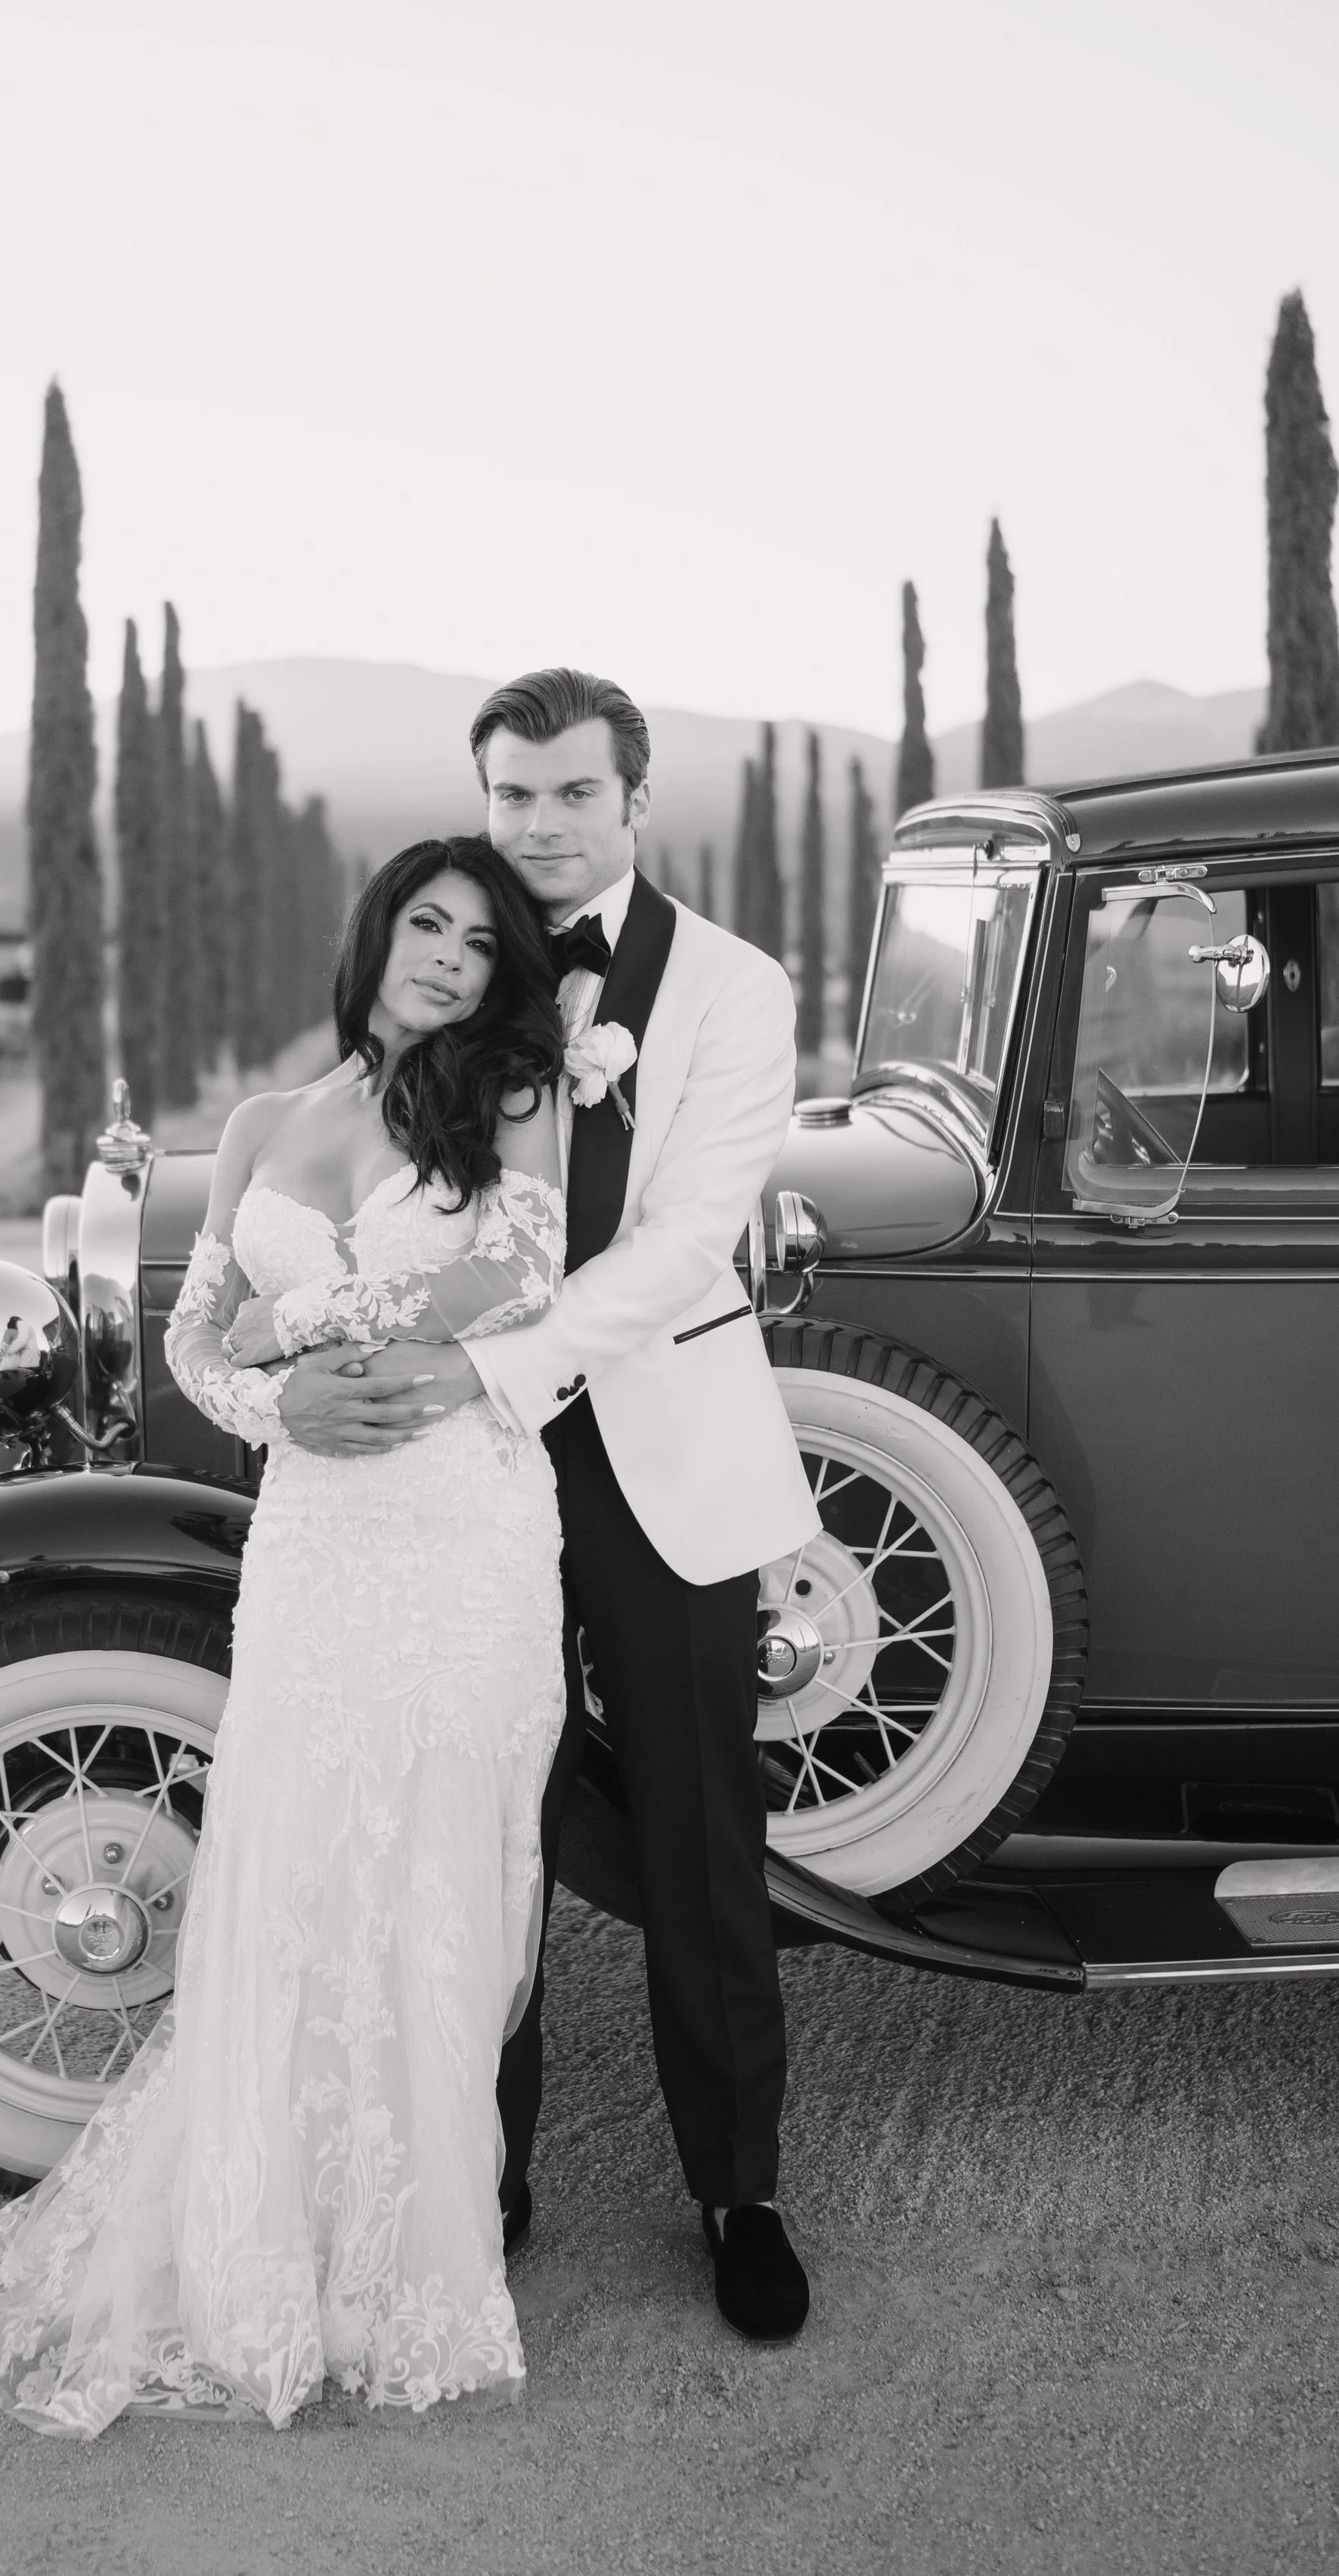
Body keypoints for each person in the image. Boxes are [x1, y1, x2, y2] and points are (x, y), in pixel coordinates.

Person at [0, 836, 569, 2433]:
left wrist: (336, 1324)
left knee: (437, 1870)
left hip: (461, 1535)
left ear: (501, 980)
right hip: (315, 1540)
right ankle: (269, 2249)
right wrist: (274, 1392)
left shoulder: (514, 1103)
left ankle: (413, 2259)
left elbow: (521, 1271)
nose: (445, 956)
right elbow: (190, 1334)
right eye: (423, 925)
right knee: (296, 1861)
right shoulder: (260, 1127)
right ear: (374, 939)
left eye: (478, 944)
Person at [353, 667, 823, 2339]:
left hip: (652, 1457)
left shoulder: (732, 986)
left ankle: (736, 2187)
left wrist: (497, 1371)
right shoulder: (450, 963)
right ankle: (486, 2169)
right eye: (509, 795)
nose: (537, 826)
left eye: (566, 793)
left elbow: (690, 1240)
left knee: (701, 1825)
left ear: (633, 796)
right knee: (484, 1823)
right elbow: (365, 1179)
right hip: (456, 1476)